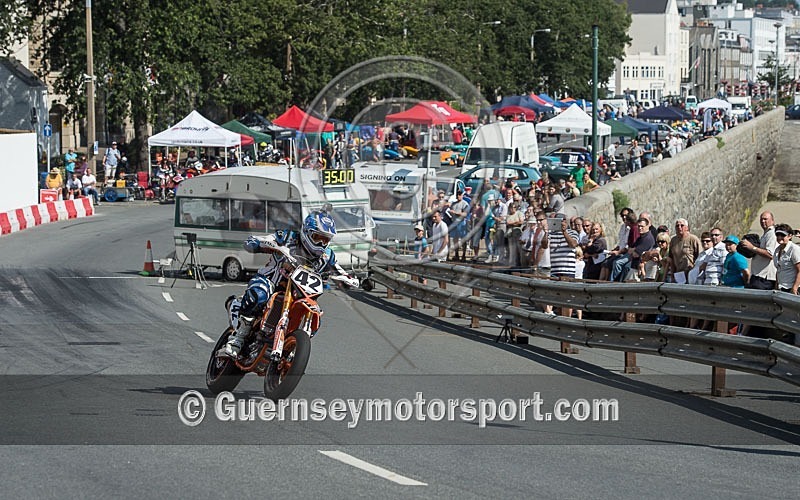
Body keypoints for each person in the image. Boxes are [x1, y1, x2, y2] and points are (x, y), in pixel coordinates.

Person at [219, 211, 359, 358]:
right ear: (306, 232)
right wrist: (260, 243)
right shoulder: (287, 237)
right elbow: (264, 240)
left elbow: (339, 270)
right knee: (259, 294)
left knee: (315, 315)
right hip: (271, 282)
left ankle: (292, 348)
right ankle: (237, 338)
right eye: (317, 238)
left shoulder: (327, 256)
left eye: (325, 240)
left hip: (299, 293)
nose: (321, 244)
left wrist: (349, 279)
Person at [741, 211, 778, 291]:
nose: (763, 221)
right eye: (761, 219)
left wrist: (752, 248)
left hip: (764, 278)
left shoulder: (772, 234)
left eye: (765, 219)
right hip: (758, 276)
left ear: (772, 220)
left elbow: (770, 254)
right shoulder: (766, 233)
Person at [773, 224, 800, 295]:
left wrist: (794, 288)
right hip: (781, 288)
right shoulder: (777, 250)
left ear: (790, 236)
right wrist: (776, 286)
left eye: (782, 235)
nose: (779, 237)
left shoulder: (794, 249)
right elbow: (779, 269)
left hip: (792, 289)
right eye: (777, 235)